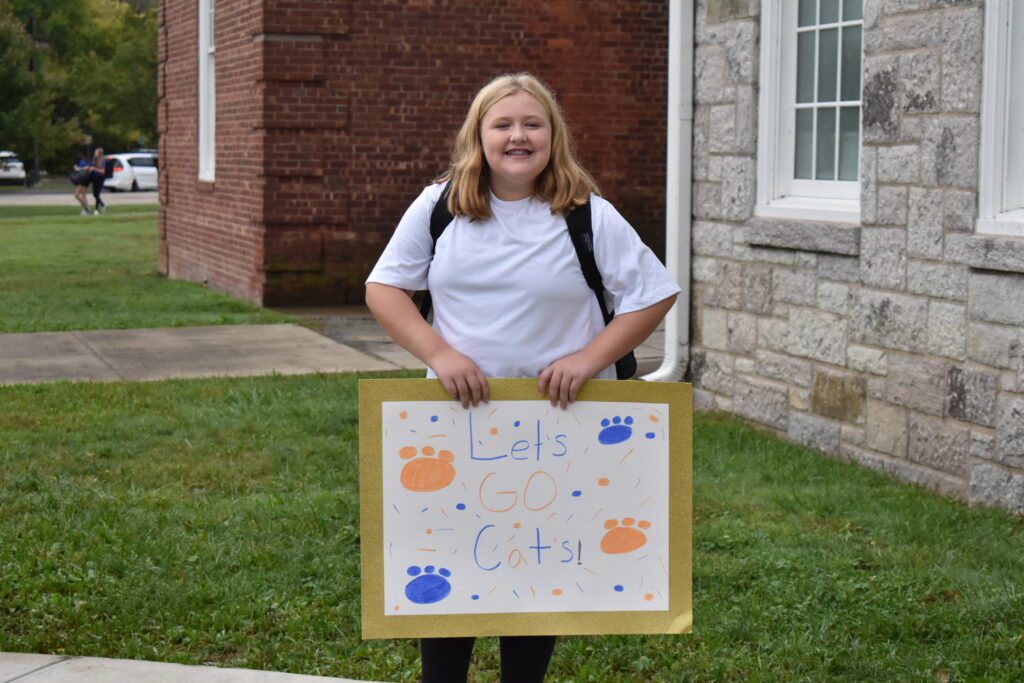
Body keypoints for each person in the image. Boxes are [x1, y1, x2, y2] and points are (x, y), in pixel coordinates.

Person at [365, 72, 680, 682]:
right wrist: (439, 354)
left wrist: (588, 360)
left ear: (552, 135)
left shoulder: (587, 213)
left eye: (532, 124)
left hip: (555, 423)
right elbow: (384, 289)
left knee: (537, 569)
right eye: (502, 124)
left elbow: (653, 295)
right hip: (457, 422)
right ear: (478, 135)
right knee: (449, 570)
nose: (517, 136)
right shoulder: (440, 205)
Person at [88, 148, 107, 215]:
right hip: (94, 178)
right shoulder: (94, 160)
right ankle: (101, 206)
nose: (95, 153)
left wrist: (94, 169)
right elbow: (91, 166)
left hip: (100, 178)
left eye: (96, 152)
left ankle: (97, 209)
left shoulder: (102, 160)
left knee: (97, 194)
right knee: (95, 194)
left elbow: (102, 171)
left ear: (99, 153)